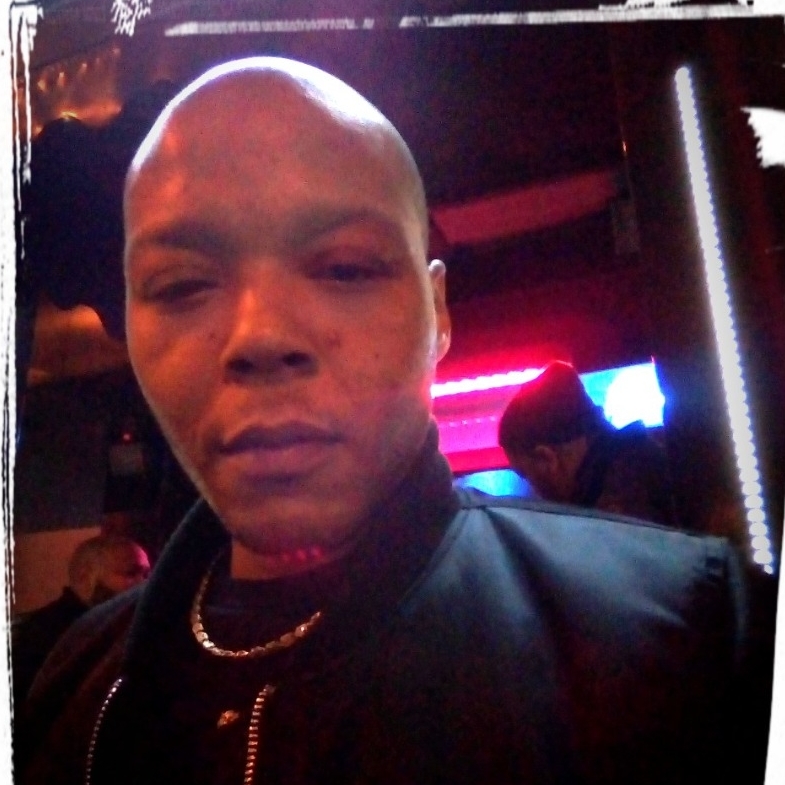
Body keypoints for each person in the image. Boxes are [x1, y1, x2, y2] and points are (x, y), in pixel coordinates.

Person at [15, 57, 751, 785]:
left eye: (346, 269)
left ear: (437, 312)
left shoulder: (691, 638)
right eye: (180, 285)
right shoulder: (70, 690)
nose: (260, 336)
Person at [498, 360, 679, 526]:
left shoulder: (611, 513)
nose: (533, 489)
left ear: (546, 458)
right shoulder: (641, 465)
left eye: (525, 474)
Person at [11, 533, 150, 707]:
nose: (143, 584)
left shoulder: (121, 624)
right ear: (85, 577)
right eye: (131, 573)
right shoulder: (45, 632)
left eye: (146, 574)